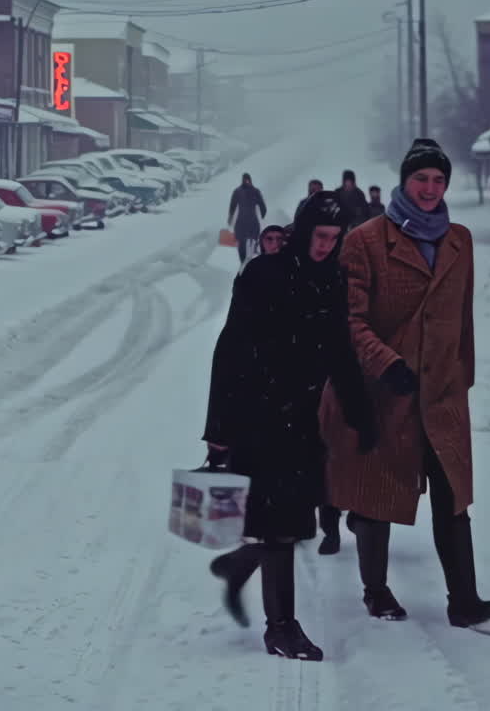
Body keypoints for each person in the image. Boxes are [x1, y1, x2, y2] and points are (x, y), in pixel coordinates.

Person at [319, 139, 490, 629]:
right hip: (387, 392)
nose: (429, 188)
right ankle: (376, 591)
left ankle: (463, 601)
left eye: (438, 180)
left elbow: (462, 319)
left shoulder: (460, 241)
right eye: (421, 179)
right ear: (404, 181)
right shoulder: (364, 241)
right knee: (377, 497)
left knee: (452, 499)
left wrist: (461, 378)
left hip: (442, 393)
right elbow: (349, 319)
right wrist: (386, 363)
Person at [202, 192, 377, 661]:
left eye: (334, 239)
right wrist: (218, 426)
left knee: (293, 519)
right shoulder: (263, 274)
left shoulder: (332, 281)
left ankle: (239, 564)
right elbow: (230, 350)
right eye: (320, 236)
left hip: (302, 419)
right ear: (302, 232)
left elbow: (341, 353)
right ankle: (281, 627)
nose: (326, 246)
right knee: (281, 525)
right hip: (258, 418)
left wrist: (361, 414)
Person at [227, 172, 268, 263]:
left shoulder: (239, 191)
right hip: (248, 222)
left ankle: (247, 260)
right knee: (246, 242)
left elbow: (262, 206)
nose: (247, 181)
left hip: (246, 222)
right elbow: (233, 206)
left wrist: (230, 218)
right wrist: (262, 214)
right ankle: (245, 261)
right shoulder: (252, 191)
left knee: (248, 241)